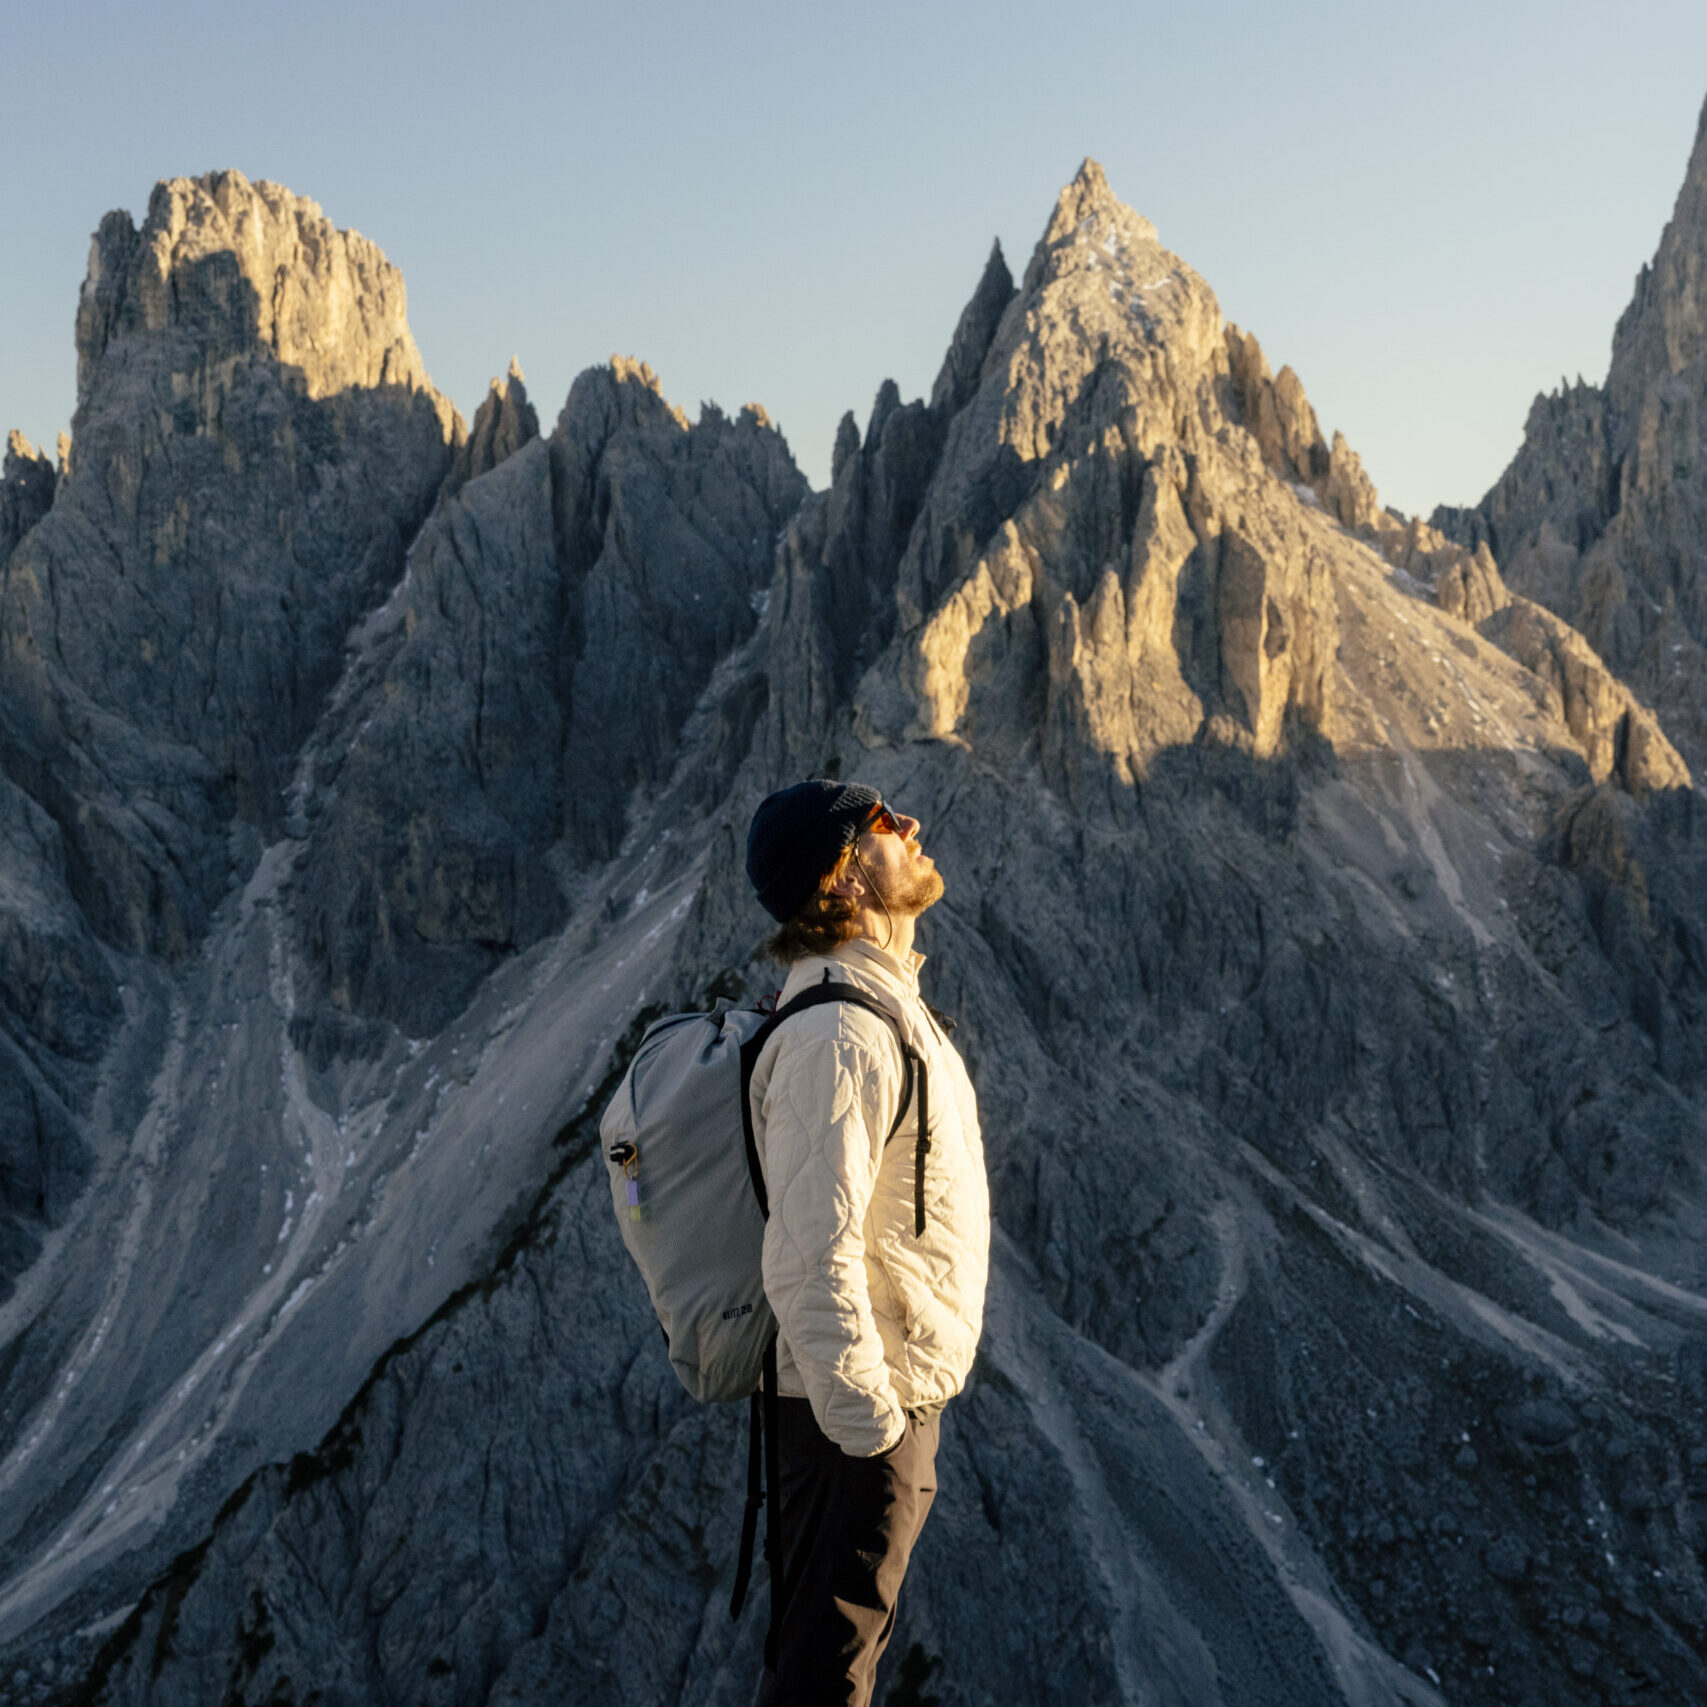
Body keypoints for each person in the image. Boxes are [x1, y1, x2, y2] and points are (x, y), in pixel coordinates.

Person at [743, 779, 991, 1706]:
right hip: (851, 1421)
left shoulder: (870, 1008)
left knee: (829, 1667)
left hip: (860, 1411)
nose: (912, 825)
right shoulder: (841, 1029)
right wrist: (873, 1431)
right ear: (844, 879)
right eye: (883, 824)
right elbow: (809, 1257)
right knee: (822, 1679)